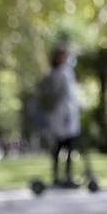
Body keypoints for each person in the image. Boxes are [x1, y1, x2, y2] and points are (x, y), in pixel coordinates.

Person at [39, 44, 81, 188]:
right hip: (63, 115)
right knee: (62, 146)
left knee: (65, 147)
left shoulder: (60, 73)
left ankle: (64, 177)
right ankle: (61, 178)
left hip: (64, 114)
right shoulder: (60, 74)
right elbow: (67, 96)